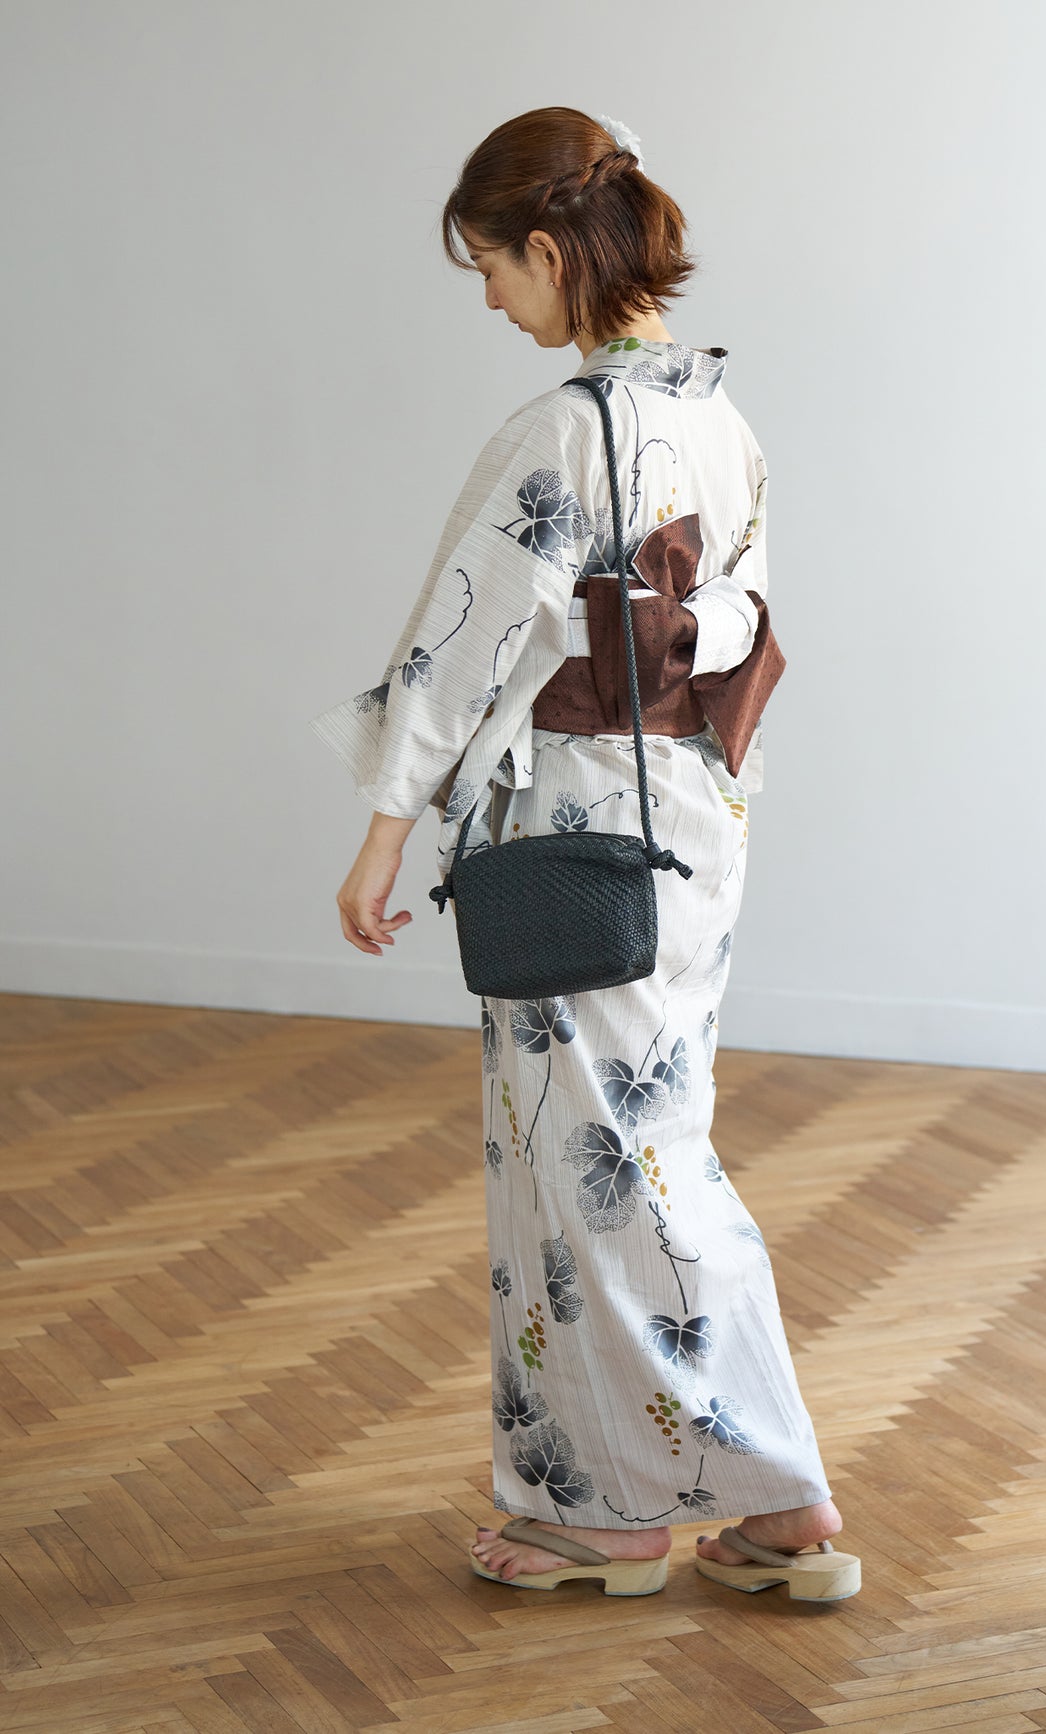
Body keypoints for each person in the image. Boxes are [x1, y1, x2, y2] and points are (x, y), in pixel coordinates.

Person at [308, 107, 858, 1599]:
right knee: (657, 1141)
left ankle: (628, 1507)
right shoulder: (724, 422)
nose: (493, 300)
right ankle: (766, 1506)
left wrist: (382, 838)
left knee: (588, 1166)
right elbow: (733, 628)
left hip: (574, 827)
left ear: (550, 253)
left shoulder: (563, 431)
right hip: (693, 819)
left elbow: (457, 652)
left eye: (492, 268)